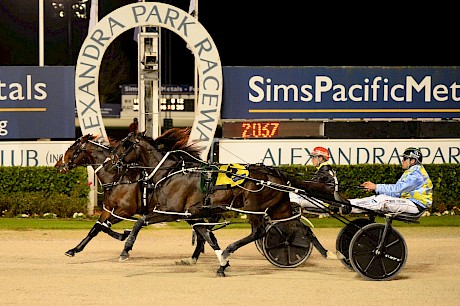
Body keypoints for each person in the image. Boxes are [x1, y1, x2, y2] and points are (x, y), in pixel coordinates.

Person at [289, 146, 345, 260]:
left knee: (292, 198)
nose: (312, 160)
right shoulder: (325, 170)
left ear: (321, 158)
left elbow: (309, 186)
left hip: (324, 203)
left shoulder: (324, 171)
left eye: (314, 157)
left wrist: (294, 184)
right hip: (324, 200)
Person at [349, 147, 433, 214]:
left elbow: (397, 189)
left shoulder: (417, 174)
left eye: (405, 158)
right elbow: (396, 193)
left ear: (413, 161)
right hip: (410, 202)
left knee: (382, 201)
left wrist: (376, 186)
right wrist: (375, 189)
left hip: (416, 205)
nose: (402, 160)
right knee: (377, 198)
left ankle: (348, 206)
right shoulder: (410, 172)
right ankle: (347, 203)